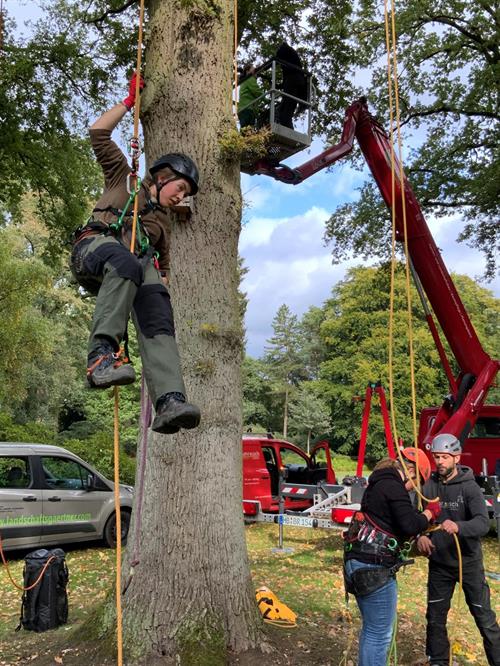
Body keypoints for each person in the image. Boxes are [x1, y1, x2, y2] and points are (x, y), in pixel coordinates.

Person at [70, 73, 201, 435]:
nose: (181, 196)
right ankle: (100, 356)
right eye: (181, 186)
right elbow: (98, 133)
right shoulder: (123, 180)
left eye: (186, 192)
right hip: (93, 249)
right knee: (127, 262)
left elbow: (164, 262)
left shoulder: (163, 223)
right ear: (161, 176)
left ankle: (169, 400)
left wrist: (161, 286)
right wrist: (128, 103)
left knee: (157, 302)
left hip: (131, 268)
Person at [343, 448, 440, 666]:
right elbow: (408, 525)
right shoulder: (393, 486)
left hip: (357, 562)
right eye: (414, 484)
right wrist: (430, 513)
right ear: (411, 471)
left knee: (371, 631)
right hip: (374, 567)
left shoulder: (378, 482)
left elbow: (397, 517)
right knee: (379, 635)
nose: (412, 490)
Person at [417, 434, 500, 666]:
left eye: (445, 457)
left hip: (468, 564)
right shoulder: (429, 485)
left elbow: (483, 523)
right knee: (435, 619)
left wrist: (459, 526)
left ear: (456, 457)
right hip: (440, 565)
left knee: (485, 619)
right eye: (437, 457)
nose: (440, 462)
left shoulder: (469, 486)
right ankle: (438, 662)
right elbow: (418, 518)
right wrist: (420, 536)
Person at [274, 42, 308, 129]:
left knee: (286, 109)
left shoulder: (284, 49)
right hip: (297, 81)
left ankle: (287, 128)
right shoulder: (290, 56)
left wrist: (261, 68)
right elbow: (286, 74)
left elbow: (276, 59)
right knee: (287, 108)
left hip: (293, 81)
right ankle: (287, 126)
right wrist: (280, 85)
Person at [238, 63, 263, 129]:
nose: (256, 72)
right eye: (254, 70)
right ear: (247, 71)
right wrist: (269, 99)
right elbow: (257, 92)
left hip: (243, 109)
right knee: (248, 131)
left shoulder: (244, 81)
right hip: (247, 109)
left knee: (245, 131)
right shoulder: (249, 79)